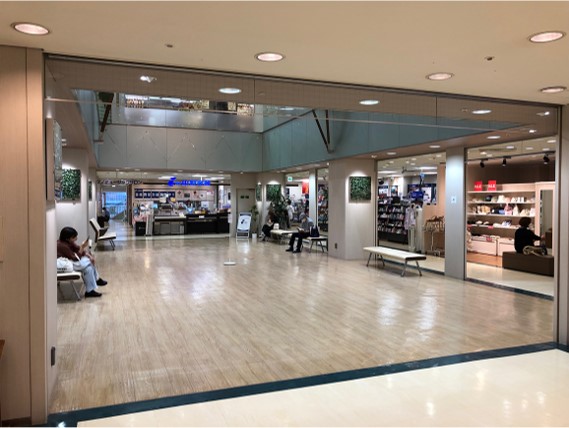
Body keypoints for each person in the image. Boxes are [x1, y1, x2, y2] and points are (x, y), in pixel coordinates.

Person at [57, 227, 107, 298]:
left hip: (71, 261)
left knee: (88, 268)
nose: (76, 239)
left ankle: (90, 291)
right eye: (74, 237)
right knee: (88, 263)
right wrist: (82, 247)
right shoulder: (62, 246)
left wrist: (89, 256)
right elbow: (75, 258)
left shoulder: (69, 242)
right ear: (67, 238)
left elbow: (78, 249)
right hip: (65, 265)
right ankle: (96, 279)